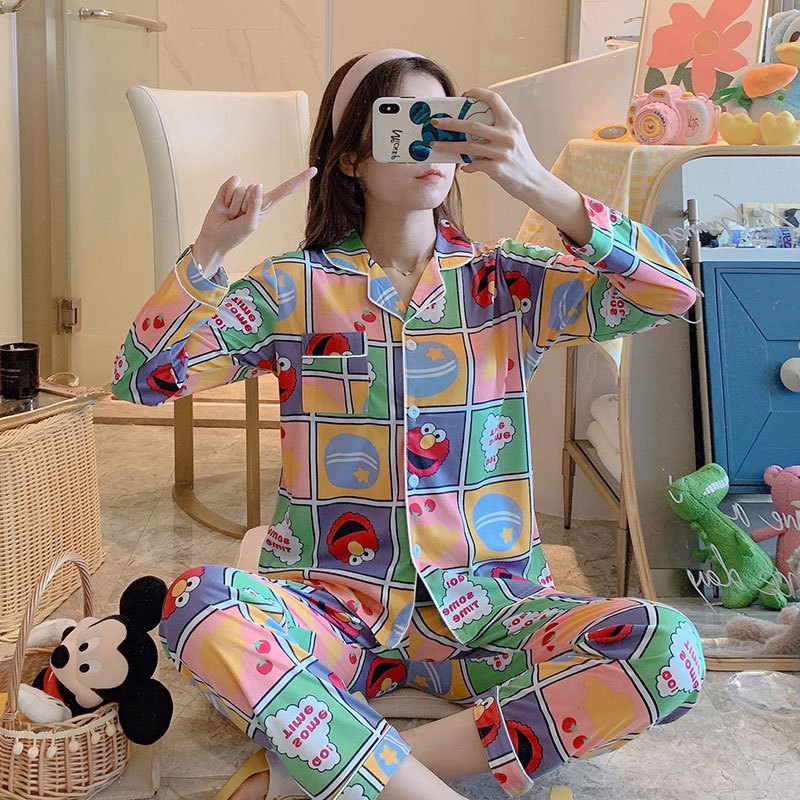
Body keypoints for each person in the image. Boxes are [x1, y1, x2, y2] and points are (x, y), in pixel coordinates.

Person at [111, 48, 706, 800]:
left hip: (490, 614)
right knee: (195, 604)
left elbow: (672, 293)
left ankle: (341, 768)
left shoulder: (507, 280)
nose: (428, 143)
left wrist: (536, 182)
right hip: (333, 611)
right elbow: (143, 378)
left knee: (668, 650)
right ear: (351, 158)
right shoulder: (293, 286)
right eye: (402, 122)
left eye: (443, 122)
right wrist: (208, 255)